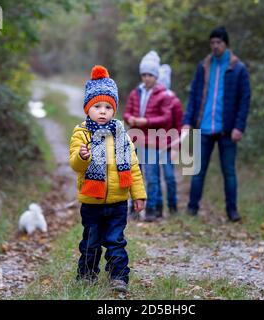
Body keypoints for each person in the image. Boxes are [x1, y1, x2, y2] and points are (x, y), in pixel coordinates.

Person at [69, 65, 146, 292]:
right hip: (92, 202)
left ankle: (119, 277)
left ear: (114, 109)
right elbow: (74, 163)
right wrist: (82, 157)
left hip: (118, 202)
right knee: (91, 243)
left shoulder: (121, 134)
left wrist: (138, 194)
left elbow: (133, 166)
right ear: (87, 108)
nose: (102, 111)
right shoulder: (82, 133)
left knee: (116, 242)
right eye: (97, 106)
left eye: (107, 107)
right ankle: (87, 275)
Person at [182, 26, 251, 222]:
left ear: (226, 44)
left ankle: (232, 211)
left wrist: (239, 127)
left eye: (218, 42)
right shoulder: (203, 66)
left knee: (228, 172)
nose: (215, 46)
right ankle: (192, 209)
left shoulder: (238, 69)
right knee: (196, 170)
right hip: (202, 127)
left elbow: (244, 100)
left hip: (227, 130)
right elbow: (194, 95)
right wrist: (187, 121)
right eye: (212, 43)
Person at [123, 51, 172, 222]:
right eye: (144, 74)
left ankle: (152, 209)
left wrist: (146, 121)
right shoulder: (135, 93)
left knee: (152, 177)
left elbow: (166, 118)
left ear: (156, 76)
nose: (146, 78)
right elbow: (127, 112)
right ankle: (134, 208)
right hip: (136, 140)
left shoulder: (163, 94)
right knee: (135, 175)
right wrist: (130, 119)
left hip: (152, 141)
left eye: (150, 75)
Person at [156, 64, 183, 215]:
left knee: (169, 176)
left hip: (168, 145)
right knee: (155, 177)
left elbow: (178, 125)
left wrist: (176, 145)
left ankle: (173, 205)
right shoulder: (152, 100)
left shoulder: (174, 102)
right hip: (153, 144)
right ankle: (158, 206)